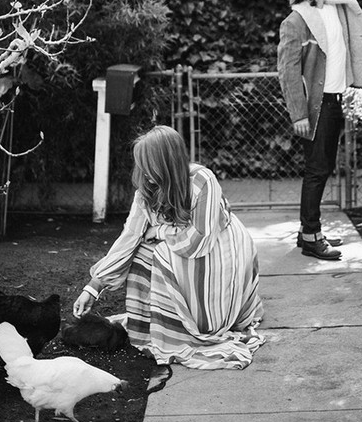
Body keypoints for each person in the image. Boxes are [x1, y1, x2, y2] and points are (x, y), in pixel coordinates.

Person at [73, 125, 264, 371]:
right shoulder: (146, 191)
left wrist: (160, 232)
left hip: (221, 249)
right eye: (140, 164)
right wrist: (94, 287)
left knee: (161, 253)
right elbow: (128, 239)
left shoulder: (202, 181)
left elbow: (201, 241)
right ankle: (158, 329)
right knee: (141, 252)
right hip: (182, 248)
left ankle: (201, 320)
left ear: (167, 162)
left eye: (148, 164)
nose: (142, 171)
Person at [277, 0, 362, 261]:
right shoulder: (296, 21)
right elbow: (287, 71)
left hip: (335, 101)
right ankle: (312, 235)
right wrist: (298, 114)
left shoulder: (332, 0)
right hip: (316, 108)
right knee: (317, 170)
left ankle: (307, 233)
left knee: (323, 167)